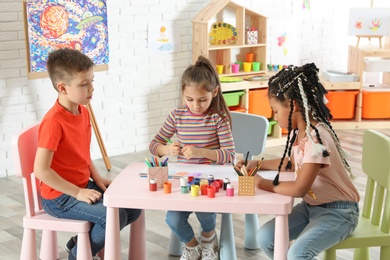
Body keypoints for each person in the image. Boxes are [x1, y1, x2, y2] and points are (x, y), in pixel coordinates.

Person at [237, 63, 360, 259]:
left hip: (340, 213)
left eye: (275, 110)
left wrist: (261, 183)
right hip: (311, 207)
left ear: (293, 105)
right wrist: (257, 164)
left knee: (299, 253)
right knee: (266, 238)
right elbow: (294, 163)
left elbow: (298, 189)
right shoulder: (301, 133)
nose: (273, 116)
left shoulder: (316, 139)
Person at [33, 48, 142, 260]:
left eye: (92, 81)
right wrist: (77, 192)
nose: (91, 88)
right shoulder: (54, 122)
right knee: (115, 216)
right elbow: (41, 170)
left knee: (133, 209)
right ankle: (78, 255)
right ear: (62, 88)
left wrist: (97, 177)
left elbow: (82, 153)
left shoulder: (82, 111)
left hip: (82, 185)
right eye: (84, 84)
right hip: (60, 197)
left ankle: (79, 245)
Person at [149, 55, 235, 260]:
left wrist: (201, 152)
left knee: (206, 214)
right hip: (183, 179)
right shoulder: (177, 115)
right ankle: (192, 245)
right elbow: (154, 145)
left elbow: (230, 155)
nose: (196, 105)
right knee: (173, 220)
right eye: (189, 99)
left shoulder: (218, 118)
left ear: (214, 92)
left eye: (202, 100)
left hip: (210, 181)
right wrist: (166, 149)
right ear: (183, 94)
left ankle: (208, 237)